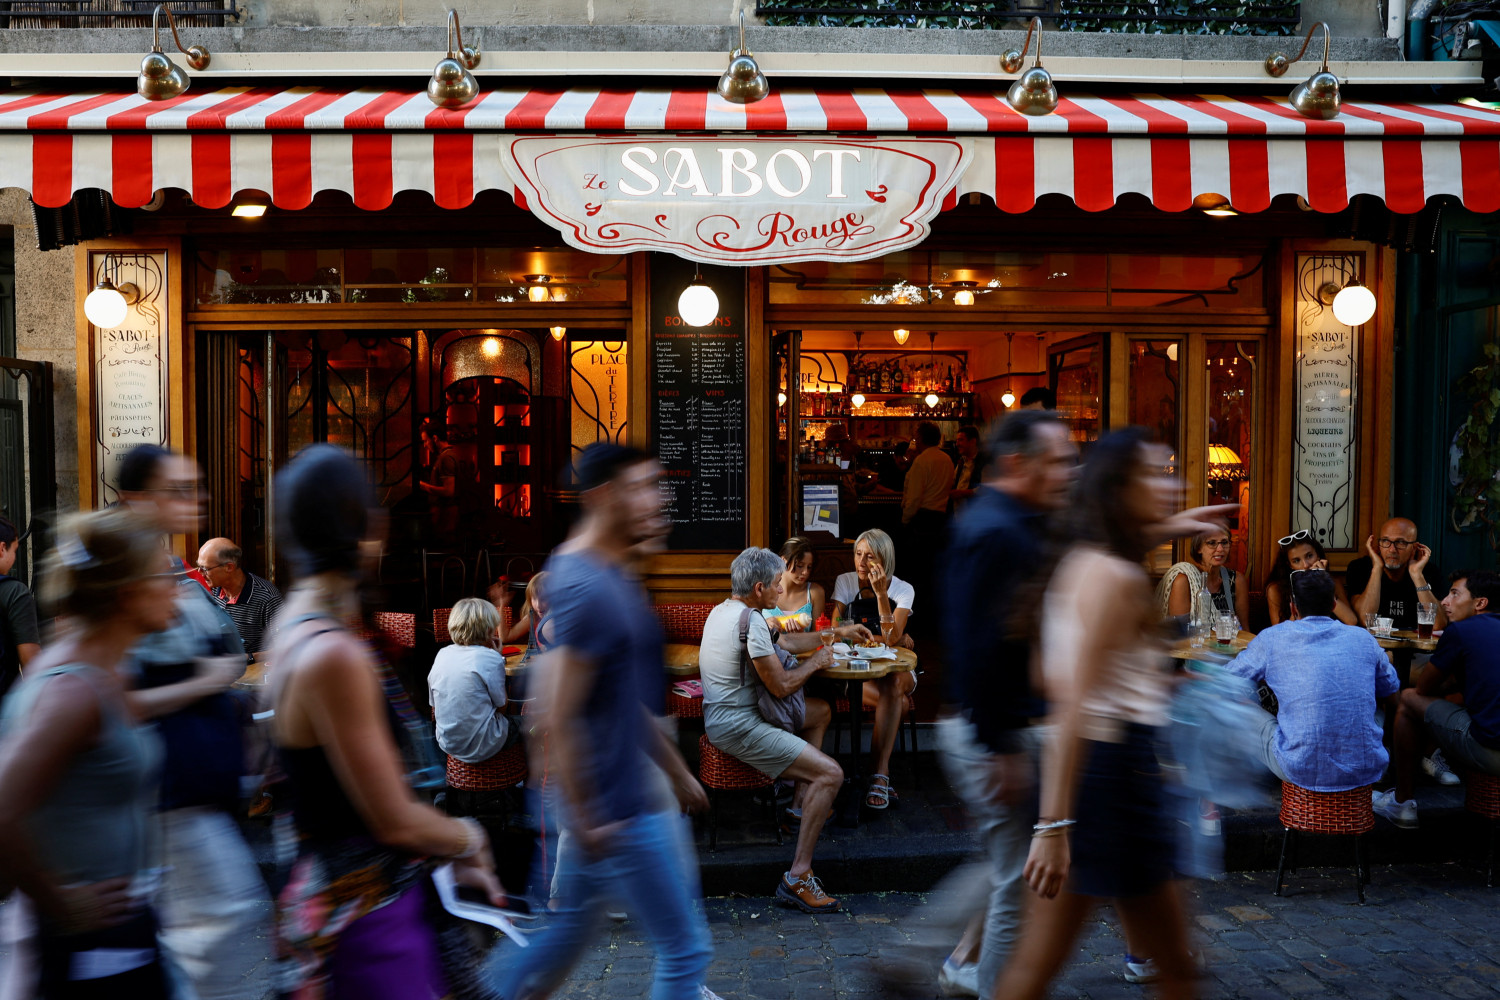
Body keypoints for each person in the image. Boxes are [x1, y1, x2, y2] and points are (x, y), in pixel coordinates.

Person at [989, 428, 1234, 1000]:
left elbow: (1052, 680)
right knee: (1171, 964)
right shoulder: (1118, 578)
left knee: (1047, 966)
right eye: (1154, 473)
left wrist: (1172, 525)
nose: (1171, 483)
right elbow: (1076, 701)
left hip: (1094, 775)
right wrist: (1053, 827)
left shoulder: (1082, 560)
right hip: (1111, 777)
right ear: (1119, 490)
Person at [270, 444, 505, 1000]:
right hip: (368, 915)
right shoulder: (334, 653)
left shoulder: (291, 625)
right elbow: (393, 820)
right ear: (364, 526)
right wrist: (466, 836)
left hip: (337, 901)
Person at [489, 443, 712, 1000]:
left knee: (563, 937)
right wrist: (588, 817)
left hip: (619, 800)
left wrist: (676, 771)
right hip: (618, 809)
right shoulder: (589, 585)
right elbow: (555, 707)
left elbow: (618, 697)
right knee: (686, 950)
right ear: (605, 497)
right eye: (642, 487)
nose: (658, 500)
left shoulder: (606, 574)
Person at [0, 509, 176, 999]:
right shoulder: (73, 692)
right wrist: (61, 902)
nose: (177, 587)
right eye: (163, 577)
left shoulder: (105, 670)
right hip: (92, 952)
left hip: (122, 935)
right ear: (127, 594)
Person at [116, 445, 270, 1000]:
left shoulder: (173, 570)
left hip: (197, 796)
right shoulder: (121, 574)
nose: (195, 500)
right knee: (218, 930)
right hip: (165, 797)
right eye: (179, 489)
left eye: (194, 487)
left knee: (216, 932)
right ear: (138, 498)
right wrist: (209, 677)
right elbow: (113, 691)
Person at [934, 409, 1076, 997]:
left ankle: (934, 956)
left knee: (1007, 863)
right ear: (1019, 462)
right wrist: (999, 745)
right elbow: (979, 643)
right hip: (995, 731)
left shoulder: (1010, 521)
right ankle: (981, 979)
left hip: (997, 727)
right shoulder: (1000, 530)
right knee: (1016, 879)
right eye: (1058, 460)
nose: (1069, 471)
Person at [700, 547, 869, 912]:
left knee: (821, 713)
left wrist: (838, 633)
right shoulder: (753, 621)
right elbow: (781, 687)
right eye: (776, 584)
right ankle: (798, 876)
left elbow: (788, 642)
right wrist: (818, 663)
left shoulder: (724, 612)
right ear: (759, 588)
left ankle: (797, 806)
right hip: (739, 727)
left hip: (722, 718)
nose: (781, 591)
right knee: (830, 774)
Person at [1223, 570, 1398, 789]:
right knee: (1378, 711)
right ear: (1334, 605)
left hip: (1297, 767)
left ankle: (1221, 792)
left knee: (1232, 702)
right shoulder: (1363, 638)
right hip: (1365, 766)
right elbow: (1390, 686)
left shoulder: (1272, 637)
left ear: (1293, 606)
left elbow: (1227, 680)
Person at [1382, 569, 1500, 829]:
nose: (1445, 601)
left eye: (1455, 594)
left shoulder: (1462, 630)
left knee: (1409, 699)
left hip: (1493, 751)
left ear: (1480, 603)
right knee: (1457, 698)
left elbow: (1424, 688)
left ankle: (1402, 803)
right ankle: (1428, 757)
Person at [830, 529, 916, 811]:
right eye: (858, 554)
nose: (862, 562)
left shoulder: (903, 589)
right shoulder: (845, 581)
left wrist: (881, 596)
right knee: (898, 704)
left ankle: (877, 770)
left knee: (894, 685)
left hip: (894, 668)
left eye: (870, 556)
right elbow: (837, 631)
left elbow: (891, 642)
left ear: (884, 558)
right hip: (857, 669)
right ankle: (879, 773)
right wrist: (891, 637)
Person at [430, 596, 518, 764]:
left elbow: (434, 704)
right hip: (483, 744)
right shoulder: (490, 658)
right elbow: (502, 706)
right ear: (488, 631)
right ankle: (526, 777)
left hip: (447, 743)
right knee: (534, 726)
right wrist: (497, 657)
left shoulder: (442, 654)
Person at [1346, 517, 1446, 632]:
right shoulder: (1360, 568)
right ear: (1378, 544)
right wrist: (1377, 568)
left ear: (1414, 547)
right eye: (1385, 541)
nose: (1392, 549)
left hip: (1414, 647)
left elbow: (1438, 625)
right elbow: (1365, 620)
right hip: (1375, 646)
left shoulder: (1429, 571)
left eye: (1400, 542)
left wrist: (1417, 575)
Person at [197, 536, 284, 658]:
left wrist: (248, 657)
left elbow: (284, 648)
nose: (200, 573)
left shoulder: (267, 597)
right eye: (199, 566)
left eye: (205, 568)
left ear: (229, 567)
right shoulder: (211, 589)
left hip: (251, 672)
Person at [1156, 521, 1251, 628]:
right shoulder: (1184, 581)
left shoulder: (1236, 580)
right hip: (1193, 644)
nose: (1220, 549)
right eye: (1212, 543)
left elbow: (1244, 629)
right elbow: (1180, 634)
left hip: (1230, 644)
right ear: (1198, 548)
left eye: (1224, 542)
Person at [1263, 530, 1358, 626]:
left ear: (1318, 555)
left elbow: (1351, 621)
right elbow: (1280, 633)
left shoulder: (1334, 582)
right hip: (1297, 640)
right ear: (1290, 565)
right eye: (1296, 560)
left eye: (1309, 556)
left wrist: (1322, 584)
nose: (1305, 565)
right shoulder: (1275, 589)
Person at [0, 515, 41, 702]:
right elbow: (31, 663)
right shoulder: (14, 593)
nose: (15, 558)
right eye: (14, 550)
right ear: (2, 548)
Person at [763, 536, 822, 633]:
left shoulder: (815, 592)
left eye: (809, 567)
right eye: (800, 566)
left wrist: (801, 636)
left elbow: (818, 636)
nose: (805, 572)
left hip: (805, 647)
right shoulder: (764, 587)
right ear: (783, 560)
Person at [949, 425, 988, 505]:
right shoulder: (962, 461)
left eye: (960, 440)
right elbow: (952, 481)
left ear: (973, 441)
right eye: (957, 441)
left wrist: (963, 493)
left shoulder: (985, 461)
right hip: (958, 514)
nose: (957, 444)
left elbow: (987, 489)